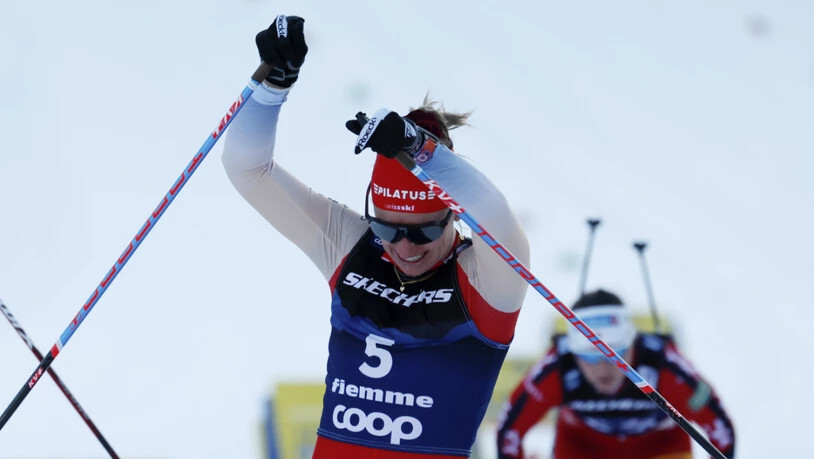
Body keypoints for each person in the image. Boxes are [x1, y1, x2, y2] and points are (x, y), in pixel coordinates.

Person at [222, 15, 530, 458]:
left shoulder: (486, 281)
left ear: (453, 214)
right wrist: (270, 87)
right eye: (386, 227)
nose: (403, 247)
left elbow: (496, 215)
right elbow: (248, 172)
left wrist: (420, 148)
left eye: (423, 230)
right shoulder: (352, 248)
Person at [495, 289, 736, 459]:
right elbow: (510, 429)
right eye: (589, 355)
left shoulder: (664, 366)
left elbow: (720, 429)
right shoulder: (558, 366)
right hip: (584, 450)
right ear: (573, 351)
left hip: (660, 449)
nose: (603, 366)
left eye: (616, 353)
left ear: (633, 343)